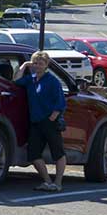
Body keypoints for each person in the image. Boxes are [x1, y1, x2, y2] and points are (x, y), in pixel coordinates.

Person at [14, 51, 67, 192]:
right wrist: (25, 65)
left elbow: (60, 102)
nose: (37, 66)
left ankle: (58, 183)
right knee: (33, 154)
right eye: (35, 63)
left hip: (50, 121)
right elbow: (16, 81)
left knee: (58, 153)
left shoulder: (52, 81)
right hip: (36, 122)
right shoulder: (30, 79)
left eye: (41, 63)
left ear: (46, 65)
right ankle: (47, 182)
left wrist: (52, 117)